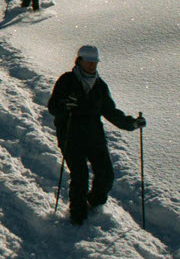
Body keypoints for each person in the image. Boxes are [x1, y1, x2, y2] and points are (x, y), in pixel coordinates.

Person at [48, 45, 146, 225]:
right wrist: (64, 106)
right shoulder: (67, 80)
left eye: (95, 62)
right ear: (79, 61)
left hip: (94, 136)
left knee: (106, 175)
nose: (92, 65)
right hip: (70, 135)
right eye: (89, 61)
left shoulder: (100, 85)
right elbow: (53, 107)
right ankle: (78, 218)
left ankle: (94, 203)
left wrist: (131, 123)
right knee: (80, 176)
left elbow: (110, 111)